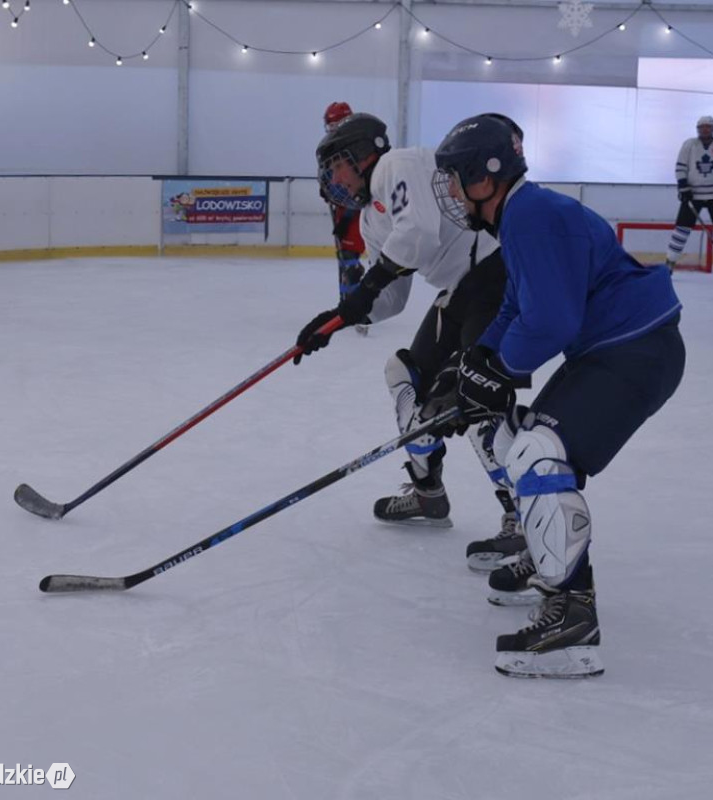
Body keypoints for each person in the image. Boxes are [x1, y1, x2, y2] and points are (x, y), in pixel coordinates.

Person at [428, 114, 686, 678]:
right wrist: (475, 366)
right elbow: (518, 308)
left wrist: (497, 374)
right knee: (524, 443)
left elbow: (551, 321)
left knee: (538, 453)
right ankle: (552, 563)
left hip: (635, 351)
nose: (449, 190)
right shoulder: (523, 214)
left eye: (456, 177)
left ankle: (573, 621)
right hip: (615, 349)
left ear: (487, 175)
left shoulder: (532, 215)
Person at [293, 113, 522, 558]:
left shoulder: (398, 165)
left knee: (474, 396)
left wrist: (369, 285)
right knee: (404, 373)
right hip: (460, 292)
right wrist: (336, 319)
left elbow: (417, 233)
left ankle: (520, 512)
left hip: (497, 280)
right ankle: (427, 490)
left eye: (337, 164)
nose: (332, 178)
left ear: (363, 153)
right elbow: (392, 299)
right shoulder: (368, 223)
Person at [667, 116, 713, 283]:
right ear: (697, 129)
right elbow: (680, 167)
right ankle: (670, 262)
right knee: (682, 229)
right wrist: (683, 187)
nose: (705, 130)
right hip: (693, 195)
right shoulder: (689, 145)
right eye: (702, 127)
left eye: (708, 127)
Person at [322, 102, 369, 335]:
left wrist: (346, 218)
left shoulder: (355, 150)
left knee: (351, 263)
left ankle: (358, 311)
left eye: (335, 124)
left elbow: (359, 192)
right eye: (329, 125)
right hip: (343, 213)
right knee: (344, 261)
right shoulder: (333, 148)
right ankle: (346, 304)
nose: (332, 129)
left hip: (357, 216)